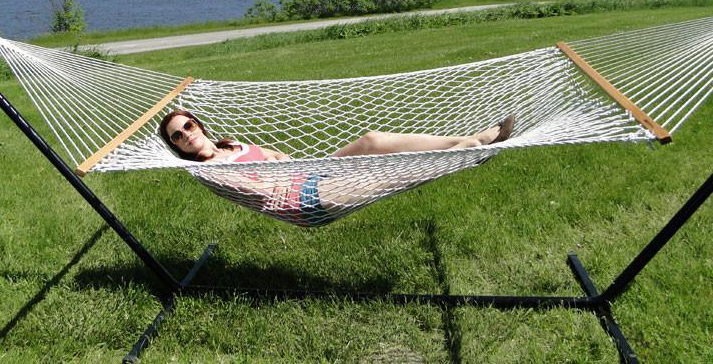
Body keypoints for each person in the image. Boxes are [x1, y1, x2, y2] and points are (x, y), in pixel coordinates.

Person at [159, 110, 514, 226]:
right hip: (302, 200)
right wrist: (278, 170)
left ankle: (466, 140)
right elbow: (258, 190)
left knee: (373, 141)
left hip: (307, 172)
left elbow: (278, 155)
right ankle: (468, 155)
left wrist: (283, 162)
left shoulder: (232, 145)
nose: (186, 136)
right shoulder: (208, 170)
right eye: (177, 137)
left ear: (198, 124)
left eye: (188, 126)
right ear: (176, 147)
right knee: (385, 174)